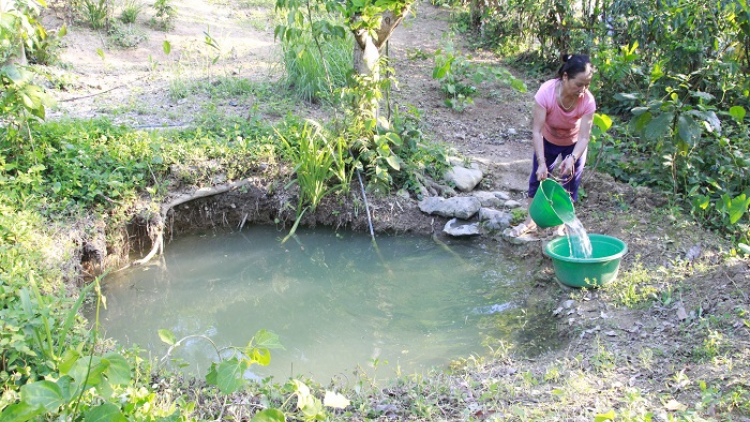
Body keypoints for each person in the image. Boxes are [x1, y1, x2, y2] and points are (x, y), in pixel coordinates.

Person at [508, 54, 596, 238]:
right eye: (579, 84)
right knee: (538, 178)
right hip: (548, 139)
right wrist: (541, 162)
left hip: (574, 144)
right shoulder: (546, 93)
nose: (583, 89)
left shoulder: (587, 100)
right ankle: (530, 222)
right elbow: (537, 131)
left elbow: (584, 137)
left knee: (570, 183)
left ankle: (561, 226)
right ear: (565, 77)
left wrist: (572, 158)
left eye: (587, 84)